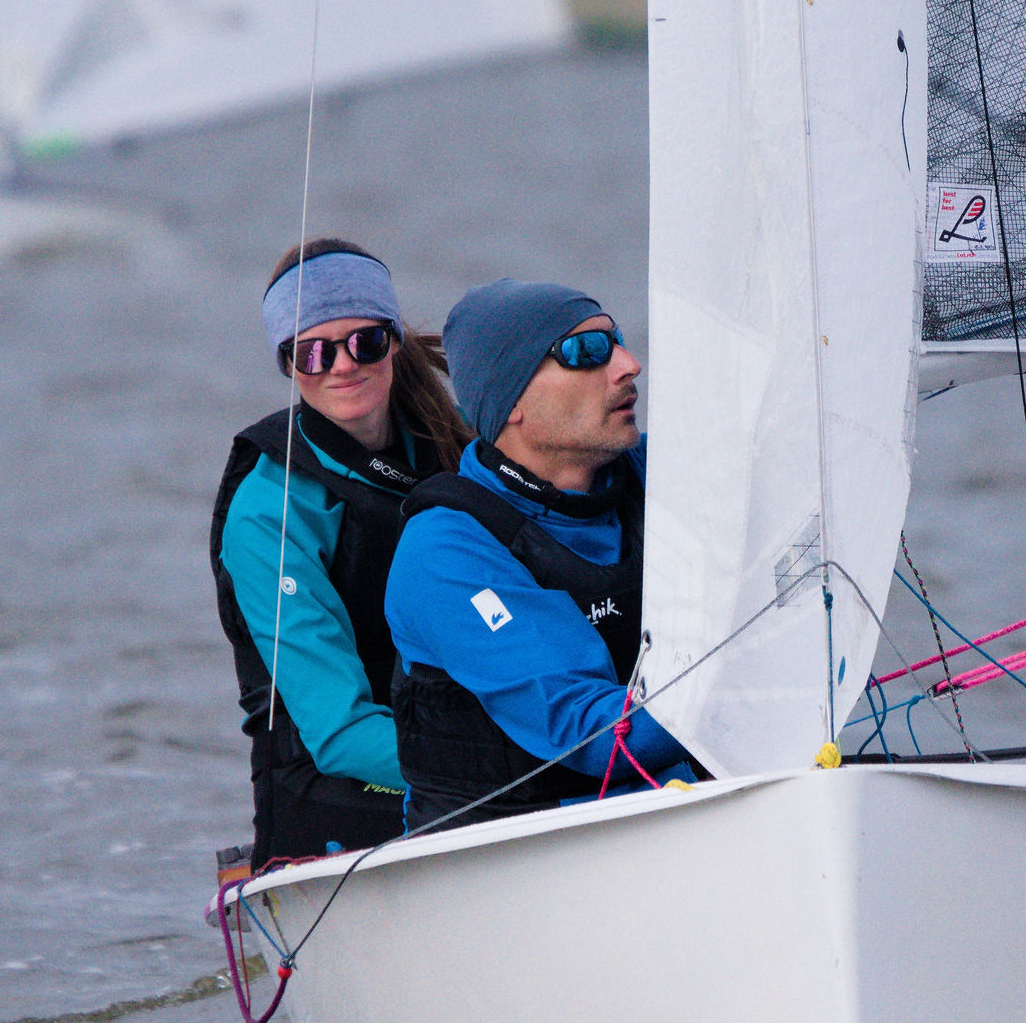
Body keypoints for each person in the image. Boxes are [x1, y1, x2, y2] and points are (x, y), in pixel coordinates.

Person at [385, 279, 695, 831]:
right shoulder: (445, 551)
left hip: (661, 813)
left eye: (617, 341)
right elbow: (595, 734)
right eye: (587, 352)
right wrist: (757, 684)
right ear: (514, 405)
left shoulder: (662, 472)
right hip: (512, 848)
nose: (629, 365)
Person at [209, 238, 470, 866]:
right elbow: (340, 734)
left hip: (459, 749)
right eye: (313, 352)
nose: (343, 365)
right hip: (331, 781)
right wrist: (504, 764)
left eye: (366, 342)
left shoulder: (455, 448)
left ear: (394, 341)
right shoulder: (267, 512)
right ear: (288, 364)